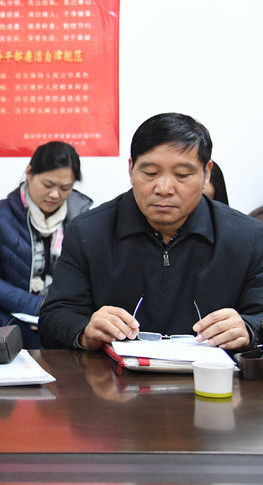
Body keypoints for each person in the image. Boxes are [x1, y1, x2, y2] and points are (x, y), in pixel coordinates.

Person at [39, 112, 263, 352]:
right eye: (150, 173)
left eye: (182, 175)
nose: (164, 188)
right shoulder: (88, 231)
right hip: (110, 374)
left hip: (209, 374)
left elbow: (259, 315)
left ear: (207, 173)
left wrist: (248, 328)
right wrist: (84, 331)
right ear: (131, 169)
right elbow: (54, 317)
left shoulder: (247, 237)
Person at [0, 141, 92, 348]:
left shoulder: (83, 219)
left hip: (66, 322)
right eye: (48, 185)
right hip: (9, 321)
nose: (55, 195)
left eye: (65, 188)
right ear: (29, 173)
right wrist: (38, 305)